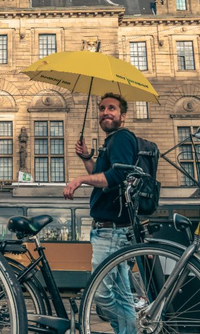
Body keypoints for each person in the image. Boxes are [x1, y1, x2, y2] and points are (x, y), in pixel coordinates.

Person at [63, 93, 137, 334]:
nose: (106, 112)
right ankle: (128, 331)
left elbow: (118, 176)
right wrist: (87, 159)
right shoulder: (112, 141)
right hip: (111, 230)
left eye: (112, 108)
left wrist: (81, 179)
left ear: (122, 116)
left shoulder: (122, 138)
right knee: (122, 295)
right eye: (102, 108)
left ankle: (127, 329)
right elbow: (103, 175)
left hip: (112, 231)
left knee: (102, 293)